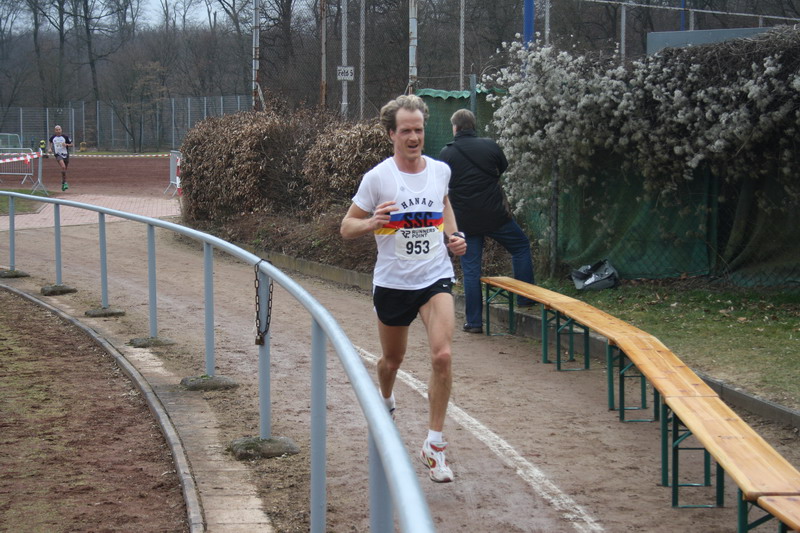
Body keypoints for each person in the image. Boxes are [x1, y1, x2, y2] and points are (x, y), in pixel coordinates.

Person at [340, 94, 467, 483]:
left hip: (434, 277)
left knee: (442, 355)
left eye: (419, 130)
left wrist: (454, 235)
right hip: (393, 283)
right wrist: (370, 223)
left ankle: (434, 445)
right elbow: (346, 227)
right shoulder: (378, 178)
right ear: (391, 134)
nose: (414, 137)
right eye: (406, 131)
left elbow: (443, 204)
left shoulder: (440, 170)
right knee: (391, 361)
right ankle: (385, 400)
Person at [439, 109, 535, 334]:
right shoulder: (490, 146)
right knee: (520, 246)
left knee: (471, 270)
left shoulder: (446, 153)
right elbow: (502, 168)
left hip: (465, 221)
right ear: (474, 126)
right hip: (495, 216)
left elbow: (442, 183)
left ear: (455, 128)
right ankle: (525, 299)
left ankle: (474, 322)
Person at [48, 125, 73, 191]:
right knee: (63, 166)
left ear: (61, 130)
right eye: (57, 130)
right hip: (58, 154)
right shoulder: (53, 137)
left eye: (59, 129)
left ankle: (63, 182)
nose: (58, 131)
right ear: (55, 131)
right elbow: (50, 141)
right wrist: (50, 148)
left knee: (64, 169)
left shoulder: (65, 137)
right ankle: (65, 183)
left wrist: (66, 144)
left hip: (65, 154)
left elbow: (72, 144)